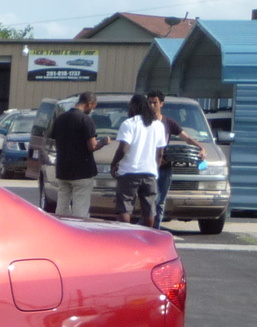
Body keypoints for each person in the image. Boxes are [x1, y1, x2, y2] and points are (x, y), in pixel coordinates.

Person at [146, 90, 203, 229]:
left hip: (164, 168)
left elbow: (187, 138)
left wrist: (201, 148)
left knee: (160, 202)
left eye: (155, 103)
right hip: (147, 168)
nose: (152, 106)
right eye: (150, 103)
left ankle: (156, 230)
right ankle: (145, 229)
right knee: (148, 201)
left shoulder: (169, 123)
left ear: (161, 104)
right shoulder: (144, 123)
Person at [111, 93, 165, 225]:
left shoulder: (129, 124)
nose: (129, 109)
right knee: (149, 210)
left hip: (129, 172)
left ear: (134, 106)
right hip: (149, 173)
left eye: (130, 105)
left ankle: (125, 238)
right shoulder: (158, 125)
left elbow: (123, 148)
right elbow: (160, 153)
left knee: (125, 208)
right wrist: (155, 168)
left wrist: (114, 163)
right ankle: (148, 239)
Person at [50, 92, 99, 217]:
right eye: (93, 107)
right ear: (89, 104)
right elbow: (92, 146)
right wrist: (104, 142)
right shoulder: (85, 120)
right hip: (82, 171)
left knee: (62, 205)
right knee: (80, 208)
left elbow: (54, 140)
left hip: (63, 169)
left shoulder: (60, 119)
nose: (92, 110)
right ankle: (78, 233)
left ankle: (61, 231)